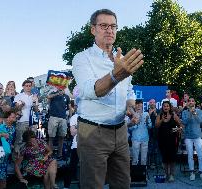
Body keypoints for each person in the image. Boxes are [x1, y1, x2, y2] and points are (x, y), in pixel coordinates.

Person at [72, 9, 144, 189]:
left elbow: (129, 91)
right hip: (92, 132)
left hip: (120, 131)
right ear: (93, 30)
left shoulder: (123, 60)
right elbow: (90, 90)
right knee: (92, 185)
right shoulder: (82, 58)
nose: (109, 30)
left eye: (113, 26)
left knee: (123, 184)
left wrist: (130, 108)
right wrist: (116, 75)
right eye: (103, 25)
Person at [156, 101, 183, 182]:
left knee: (172, 158)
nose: (166, 107)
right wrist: (162, 120)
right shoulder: (159, 115)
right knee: (164, 158)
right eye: (164, 106)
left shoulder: (174, 115)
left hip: (172, 140)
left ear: (170, 107)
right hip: (162, 140)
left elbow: (181, 125)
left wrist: (177, 129)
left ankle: (171, 174)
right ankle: (166, 173)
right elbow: (156, 126)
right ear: (162, 107)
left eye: (167, 106)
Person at [182, 97, 202, 181]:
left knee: (200, 155)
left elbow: (200, 121)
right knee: (190, 155)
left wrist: (195, 113)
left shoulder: (199, 111)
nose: (191, 102)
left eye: (193, 101)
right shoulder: (185, 112)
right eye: (189, 101)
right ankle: (192, 172)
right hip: (188, 136)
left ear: (195, 103)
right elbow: (184, 122)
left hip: (197, 136)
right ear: (187, 103)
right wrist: (190, 114)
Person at [14, 80, 39, 154]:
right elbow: (17, 108)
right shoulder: (19, 96)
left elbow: (36, 110)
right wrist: (22, 104)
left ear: (31, 86)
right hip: (22, 120)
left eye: (29, 86)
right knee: (20, 140)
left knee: (32, 140)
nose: (28, 87)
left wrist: (34, 102)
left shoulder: (34, 96)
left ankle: (29, 158)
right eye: (26, 86)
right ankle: (17, 159)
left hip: (32, 121)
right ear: (23, 87)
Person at [47, 88, 71, 159]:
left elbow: (69, 107)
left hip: (63, 118)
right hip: (53, 117)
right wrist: (57, 93)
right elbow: (48, 97)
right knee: (51, 137)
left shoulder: (66, 96)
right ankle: (50, 154)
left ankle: (59, 154)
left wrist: (70, 117)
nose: (61, 89)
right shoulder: (53, 93)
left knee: (62, 137)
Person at [129, 99, 152, 165]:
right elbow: (130, 128)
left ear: (142, 105)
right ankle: (134, 174)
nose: (138, 105)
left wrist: (148, 122)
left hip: (145, 139)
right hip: (135, 139)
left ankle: (143, 174)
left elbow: (150, 126)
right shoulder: (131, 115)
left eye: (140, 104)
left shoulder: (146, 114)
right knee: (135, 159)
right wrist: (136, 124)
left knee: (144, 159)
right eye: (137, 104)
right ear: (135, 105)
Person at [63, 112, 79, 189]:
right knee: (72, 166)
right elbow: (72, 133)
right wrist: (82, 125)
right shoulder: (75, 117)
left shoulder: (92, 115)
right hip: (77, 146)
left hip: (91, 146)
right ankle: (66, 186)